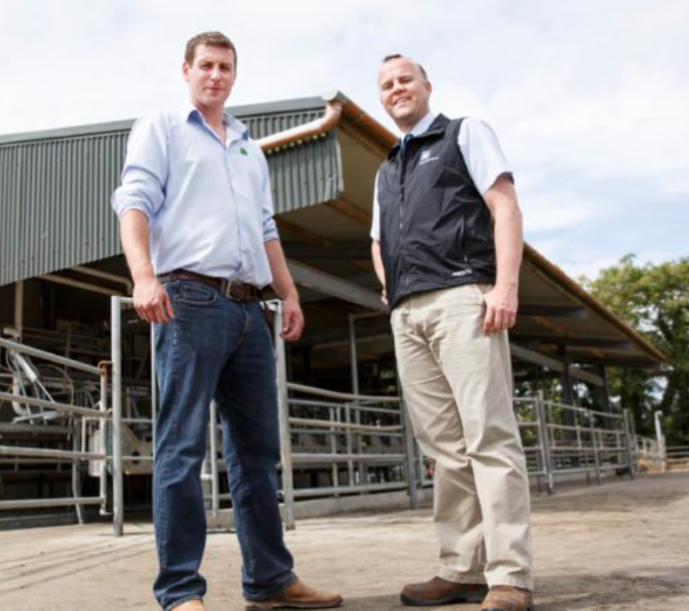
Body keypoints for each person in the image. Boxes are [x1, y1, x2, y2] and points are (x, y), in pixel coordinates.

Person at [112, 31, 342, 611]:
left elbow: (266, 230)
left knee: (258, 453)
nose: (216, 75)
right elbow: (133, 201)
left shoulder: (246, 147)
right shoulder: (162, 127)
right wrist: (144, 277)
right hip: (187, 299)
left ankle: (270, 580)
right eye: (207, 65)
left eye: (226, 67)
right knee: (181, 448)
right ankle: (181, 591)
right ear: (186, 69)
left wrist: (287, 295)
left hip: (249, 309)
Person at [370, 54, 534, 611]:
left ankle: (509, 575)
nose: (397, 89)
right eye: (387, 84)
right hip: (408, 314)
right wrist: (390, 291)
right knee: (443, 448)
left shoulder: (465, 133)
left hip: (464, 296)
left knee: (489, 435)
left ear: (426, 86)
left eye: (405, 80)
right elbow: (376, 240)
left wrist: (505, 287)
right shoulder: (386, 169)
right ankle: (460, 567)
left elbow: (504, 205)